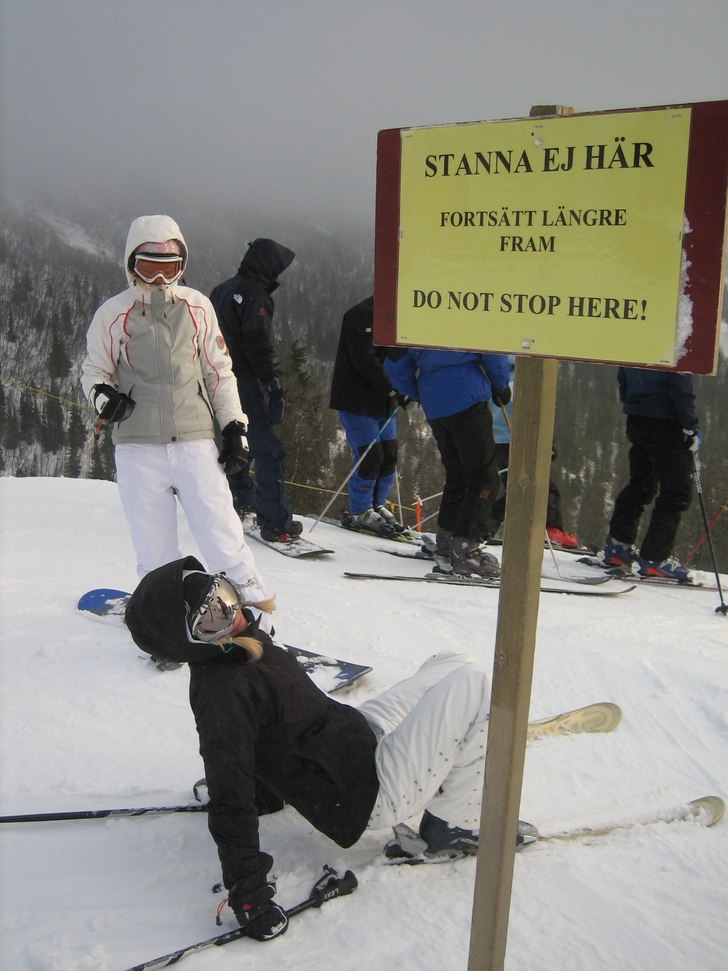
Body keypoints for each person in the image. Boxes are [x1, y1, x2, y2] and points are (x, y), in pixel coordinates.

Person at [124, 555, 508, 940]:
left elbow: (268, 731)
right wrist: (248, 892)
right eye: (212, 618)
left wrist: (268, 793)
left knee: (453, 662)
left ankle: (451, 757)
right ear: (190, 644)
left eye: (224, 596)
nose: (234, 613)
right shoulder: (224, 694)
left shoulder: (239, 647)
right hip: (366, 792)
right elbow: (229, 792)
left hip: (353, 739)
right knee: (476, 685)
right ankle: (452, 827)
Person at [80, 214, 271, 625]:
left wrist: (235, 429)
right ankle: (163, 623)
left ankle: (253, 610)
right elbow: (94, 372)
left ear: (182, 265)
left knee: (222, 531)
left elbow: (218, 372)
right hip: (137, 444)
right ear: (132, 265)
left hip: (194, 439)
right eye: (149, 267)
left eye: (170, 268)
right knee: (153, 545)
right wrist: (103, 398)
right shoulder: (112, 314)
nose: (160, 279)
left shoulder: (197, 307)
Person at [385, 348, 511, 577]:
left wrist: (416, 392)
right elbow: (494, 349)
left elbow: (394, 362)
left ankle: (447, 542)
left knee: (458, 476)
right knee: (484, 479)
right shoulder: (465, 317)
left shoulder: (418, 318)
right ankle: (465, 550)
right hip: (467, 394)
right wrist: (500, 385)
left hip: (434, 400)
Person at [210, 239, 301, 545]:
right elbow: (258, 345)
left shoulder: (222, 290)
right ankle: (275, 521)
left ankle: (240, 500)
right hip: (247, 382)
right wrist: (273, 387)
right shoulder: (255, 297)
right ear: (268, 266)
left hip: (219, 378)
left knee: (234, 439)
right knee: (268, 450)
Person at [603, 366, 700, 582]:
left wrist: (633, 402)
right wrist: (690, 426)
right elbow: (681, 385)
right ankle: (655, 558)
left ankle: (618, 546)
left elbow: (623, 376)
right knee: (677, 492)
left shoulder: (641, 336)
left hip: (638, 417)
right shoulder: (677, 339)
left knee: (641, 484)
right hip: (667, 420)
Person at [329, 295, 409, 537]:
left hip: (384, 399)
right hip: (358, 399)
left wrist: (404, 385)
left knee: (389, 454)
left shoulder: (400, 314)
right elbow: (364, 358)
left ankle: (377, 504)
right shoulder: (361, 314)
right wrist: (393, 387)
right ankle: (361, 509)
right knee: (370, 455)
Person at [490, 357, 580, 549]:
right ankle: (551, 529)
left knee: (518, 488)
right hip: (518, 439)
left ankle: (484, 526)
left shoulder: (494, 374)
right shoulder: (528, 374)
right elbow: (535, 413)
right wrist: (548, 443)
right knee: (535, 487)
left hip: (499, 438)